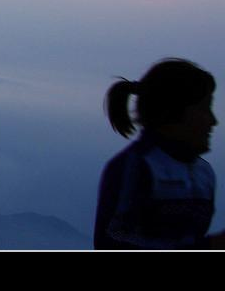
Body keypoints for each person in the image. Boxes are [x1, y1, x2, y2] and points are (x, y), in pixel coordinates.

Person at [94, 58, 222, 249]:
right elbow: (113, 240)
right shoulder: (135, 167)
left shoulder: (204, 174)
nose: (213, 121)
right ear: (174, 113)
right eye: (204, 109)